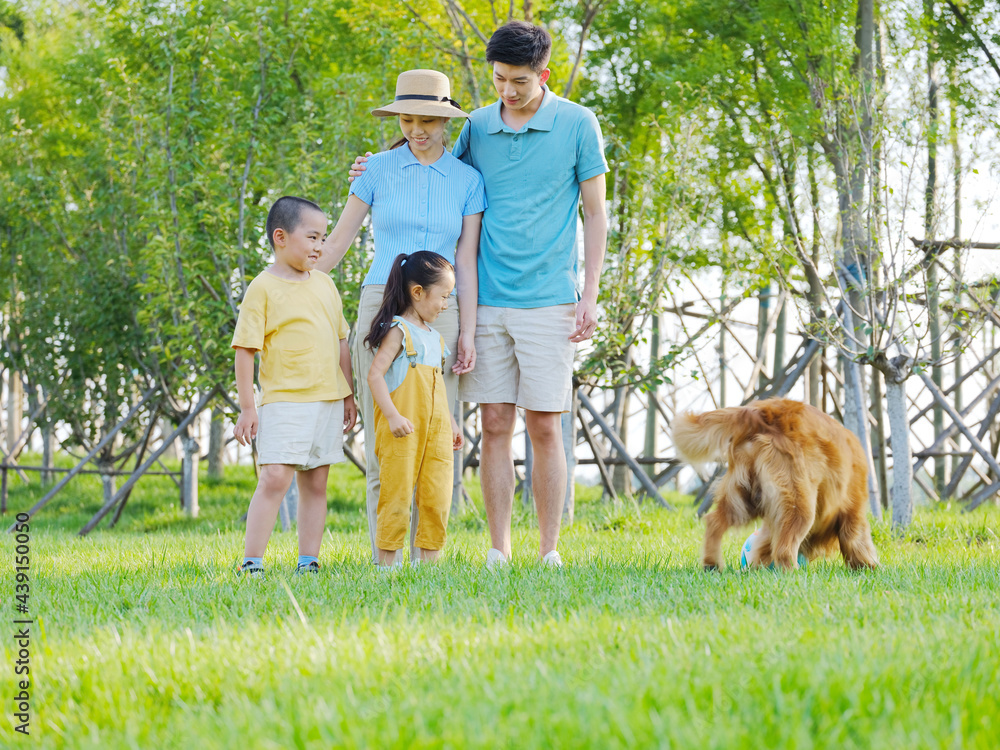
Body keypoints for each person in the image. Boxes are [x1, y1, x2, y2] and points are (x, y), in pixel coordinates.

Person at [351, 22, 608, 568]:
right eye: (498, 80)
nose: (507, 91)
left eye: (518, 81)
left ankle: (548, 551)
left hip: (551, 298)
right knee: (493, 421)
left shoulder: (579, 124)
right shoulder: (479, 127)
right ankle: (498, 549)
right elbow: (433, 165)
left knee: (544, 422)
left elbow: (596, 214)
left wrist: (590, 294)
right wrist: (373, 168)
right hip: (486, 298)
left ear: (544, 75)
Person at [317, 69, 486, 564]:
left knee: (436, 439)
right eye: (408, 119)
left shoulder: (467, 180)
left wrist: (468, 330)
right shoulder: (376, 170)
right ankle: (384, 560)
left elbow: (468, 260)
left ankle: (427, 562)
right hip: (381, 306)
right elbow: (339, 243)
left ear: (445, 120)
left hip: (442, 314)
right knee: (384, 446)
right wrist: (285, 282)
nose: (417, 129)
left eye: (428, 120)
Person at [232, 196, 357, 577]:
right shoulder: (262, 288)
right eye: (313, 237)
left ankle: (309, 562)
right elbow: (245, 350)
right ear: (281, 237)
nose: (321, 246)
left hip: (327, 399)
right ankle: (252, 562)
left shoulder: (325, 284)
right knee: (273, 478)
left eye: (323, 238)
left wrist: (348, 393)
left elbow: (340, 342)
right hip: (285, 401)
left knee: (316, 481)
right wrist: (248, 407)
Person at [365, 252, 463, 567]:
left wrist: (451, 423)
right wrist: (392, 415)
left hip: (436, 431)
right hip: (402, 429)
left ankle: (429, 563)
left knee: (437, 494)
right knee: (396, 495)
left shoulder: (436, 338)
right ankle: (388, 564)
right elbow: (375, 375)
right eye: (443, 297)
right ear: (417, 292)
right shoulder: (398, 330)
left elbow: (438, 388)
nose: (445, 304)